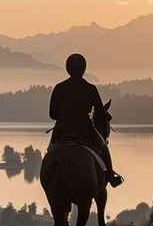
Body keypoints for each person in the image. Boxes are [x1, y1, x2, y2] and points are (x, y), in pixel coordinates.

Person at [49, 53, 123, 187]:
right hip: (85, 131)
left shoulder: (59, 88)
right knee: (104, 148)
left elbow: (52, 115)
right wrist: (107, 116)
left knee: (50, 152)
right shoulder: (90, 88)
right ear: (84, 69)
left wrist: (64, 116)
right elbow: (100, 114)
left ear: (68, 68)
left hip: (62, 131)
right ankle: (111, 175)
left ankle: (46, 177)